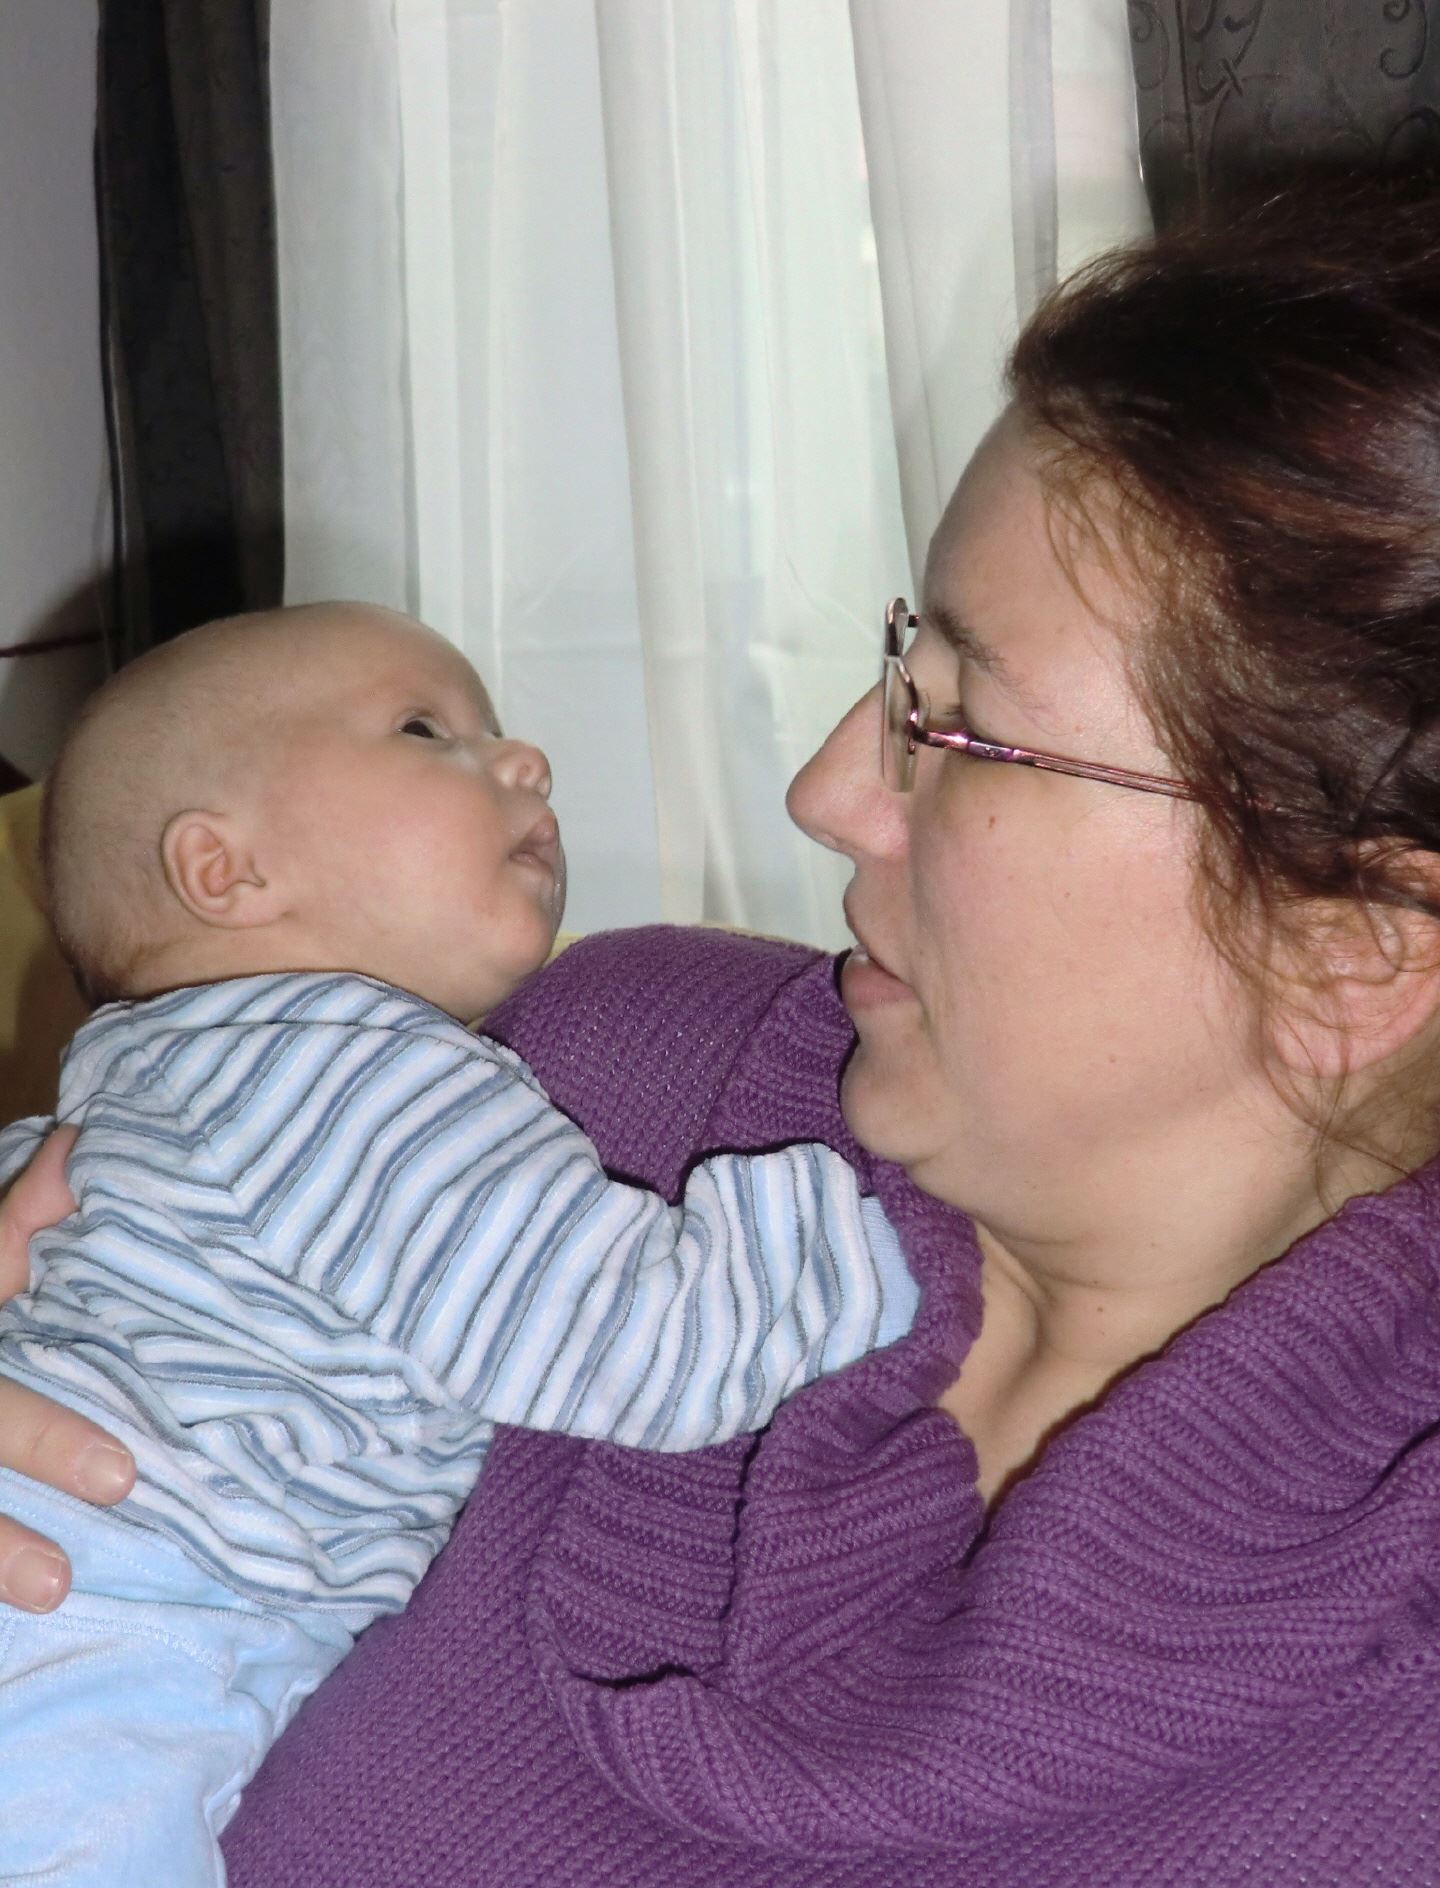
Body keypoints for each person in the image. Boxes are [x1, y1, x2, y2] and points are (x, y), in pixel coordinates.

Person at [3, 179, 1440, 1884]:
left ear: (1352, 948)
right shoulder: (595, 1073)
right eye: (899, 665)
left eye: (960, 728)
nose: (828, 790)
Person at [0, 602, 914, 1887]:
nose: (526, 760)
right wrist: (869, 1211)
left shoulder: (146, 1080)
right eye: (425, 731)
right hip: (108, 1600)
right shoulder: (345, 1070)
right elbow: (640, 1350)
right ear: (224, 871)